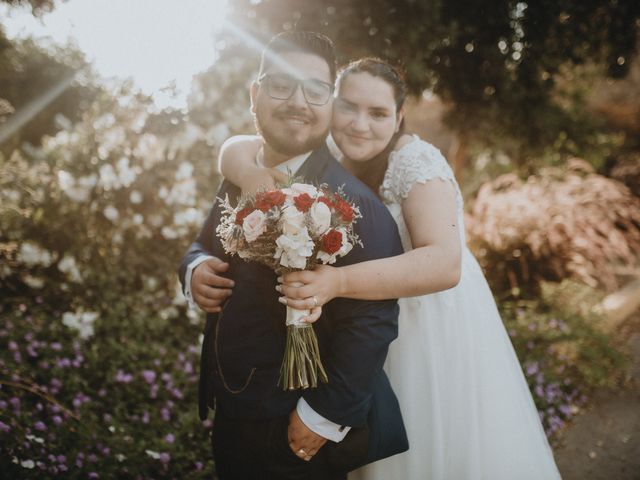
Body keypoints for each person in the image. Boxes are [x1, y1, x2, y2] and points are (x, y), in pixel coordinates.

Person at [218, 58, 562, 479]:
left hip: (426, 325)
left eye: (378, 113)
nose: (360, 124)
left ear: (399, 118)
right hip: (367, 321)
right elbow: (238, 143)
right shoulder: (331, 149)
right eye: (349, 107)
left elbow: (443, 263)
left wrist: (338, 281)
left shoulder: (416, 161)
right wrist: (248, 172)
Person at [178, 33, 408, 480]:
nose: (298, 101)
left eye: (315, 89)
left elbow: (373, 321)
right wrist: (195, 269)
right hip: (230, 407)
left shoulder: (359, 207)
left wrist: (322, 415)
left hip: (294, 429)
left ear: (329, 101)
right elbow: (203, 242)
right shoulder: (241, 176)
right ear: (255, 94)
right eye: (281, 84)